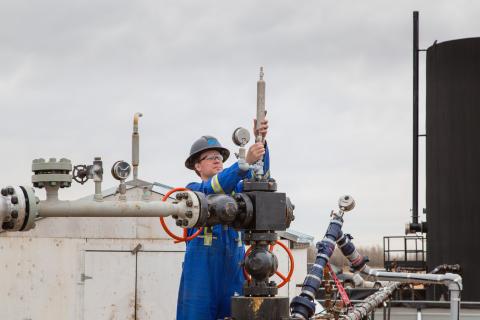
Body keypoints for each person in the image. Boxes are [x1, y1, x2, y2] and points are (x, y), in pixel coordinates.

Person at [176, 119, 269, 320]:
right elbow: (211, 190)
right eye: (210, 157)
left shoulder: (237, 189)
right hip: (200, 276)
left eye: (219, 157)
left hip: (234, 269)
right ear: (197, 166)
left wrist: (261, 142)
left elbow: (261, 179)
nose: (217, 160)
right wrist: (242, 166)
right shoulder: (192, 192)